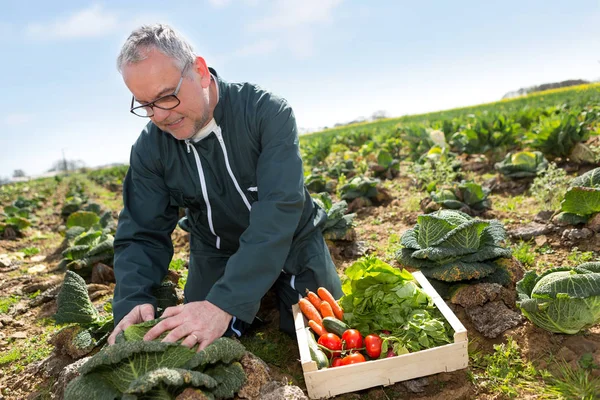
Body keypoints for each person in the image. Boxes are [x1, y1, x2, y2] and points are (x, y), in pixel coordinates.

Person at [107, 23, 343, 350]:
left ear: (200, 72)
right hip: (217, 249)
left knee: (325, 334)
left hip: (292, 239)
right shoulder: (150, 149)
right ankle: (246, 298)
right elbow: (141, 232)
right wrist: (133, 298)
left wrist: (225, 303)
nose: (159, 116)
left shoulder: (266, 112)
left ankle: (270, 292)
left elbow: (279, 210)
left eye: (166, 97)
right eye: (145, 105)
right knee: (192, 343)